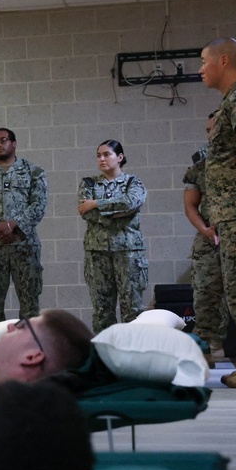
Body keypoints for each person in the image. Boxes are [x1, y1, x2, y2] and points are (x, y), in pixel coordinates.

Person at [199, 38, 236, 387]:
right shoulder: (231, 103)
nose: (200, 69)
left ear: (222, 60)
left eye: (203, 62)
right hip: (234, 219)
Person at [0, 128, 48, 325]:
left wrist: (14, 225)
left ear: (13, 143)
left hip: (24, 246)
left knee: (30, 307)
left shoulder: (33, 172)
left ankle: (31, 350)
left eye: (3, 140)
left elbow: (39, 204)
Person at [77, 140, 148, 332]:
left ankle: (132, 354)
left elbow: (131, 203)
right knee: (102, 310)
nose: (101, 159)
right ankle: (104, 354)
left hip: (128, 253)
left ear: (120, 157)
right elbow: (86, 212)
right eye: (98, 155)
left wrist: (97, 204)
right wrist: (118, 214)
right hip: (97, 253)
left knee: (132, 309)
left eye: (107, 154)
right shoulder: (89, 183)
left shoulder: (133, 182)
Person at [182, 112, 231, 355]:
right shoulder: (200, 164)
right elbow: (191, 204)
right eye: (207, 130)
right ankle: (212, 344)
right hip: (209, 237)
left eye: (215, 129)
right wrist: (205, 229)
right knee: (205, 291)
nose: (210, 135)